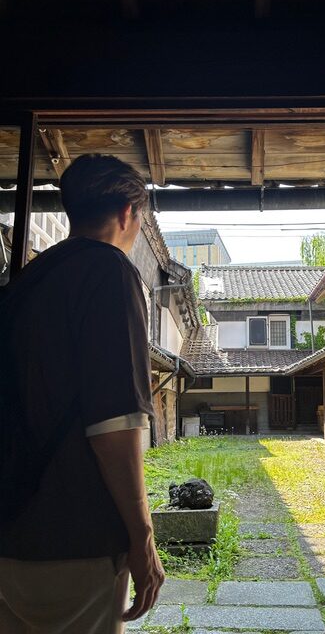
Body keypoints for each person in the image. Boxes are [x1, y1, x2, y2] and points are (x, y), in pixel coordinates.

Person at [0, 154, 165, 633]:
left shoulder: (28, 280)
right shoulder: (110, 272)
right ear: (129, 213)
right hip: (74, 534)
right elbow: (114, 424)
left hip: (11, 524)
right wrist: (142, 536)